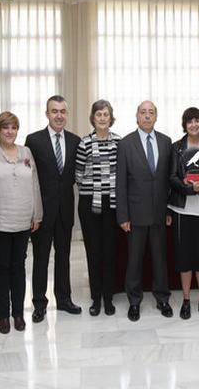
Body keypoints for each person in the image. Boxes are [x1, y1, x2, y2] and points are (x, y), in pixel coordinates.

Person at [0, 111, 43, 334]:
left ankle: (18, 313)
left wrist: (37, 214)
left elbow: (34, 183)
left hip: (23, 219)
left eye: (13, 127)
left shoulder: (26, 152)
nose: (10, 131)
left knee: (19, 267)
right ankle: (3, 316)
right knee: (2, 267)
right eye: (5, 127)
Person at [25, 95, 82, 323]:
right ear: (46, 113)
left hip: (66, 208)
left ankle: (64, 299)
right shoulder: (34, 140)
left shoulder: (75, 140)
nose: (59, 115)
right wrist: (32, 212)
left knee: (64, 255)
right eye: (54, 111)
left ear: (67, 114)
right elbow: (29, 177)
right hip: (42, 211)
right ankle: (39, 303)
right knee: (40, 257)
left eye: (63, 111)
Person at [116, 100, 173, 322]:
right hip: (135, 214)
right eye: (143, 112)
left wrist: (168, 209)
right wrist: (123, 215)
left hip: (160, 212)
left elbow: (169, 180)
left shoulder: (166, 142)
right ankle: (134, 301)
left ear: (156, 117)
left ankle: (163, 298)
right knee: (135, 260)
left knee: (160, 259)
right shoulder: (126, 144)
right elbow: (120, 183)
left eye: (151, 113)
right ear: (136, 116)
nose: (147, 116)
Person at [168, 107, 199, 320]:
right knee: (184, 255)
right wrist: (189, 188)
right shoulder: (176, 148)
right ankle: (187, 299)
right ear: (184, 124)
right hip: (180, 208)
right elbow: (171, 177)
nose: (194, 125)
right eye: (190, 121)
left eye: (197, 121)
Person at [75, 100, 121, 316]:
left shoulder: (120, 142)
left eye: (106, 114)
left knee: (110, 252)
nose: (102, 118)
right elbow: (78, 174)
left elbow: (122, 172)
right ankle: (96, 299)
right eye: (98, 115)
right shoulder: (84, 143)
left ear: (111, 118)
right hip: (89, 205)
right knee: (93, 252)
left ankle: (109, 298)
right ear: (93, 118)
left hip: (112, 204)